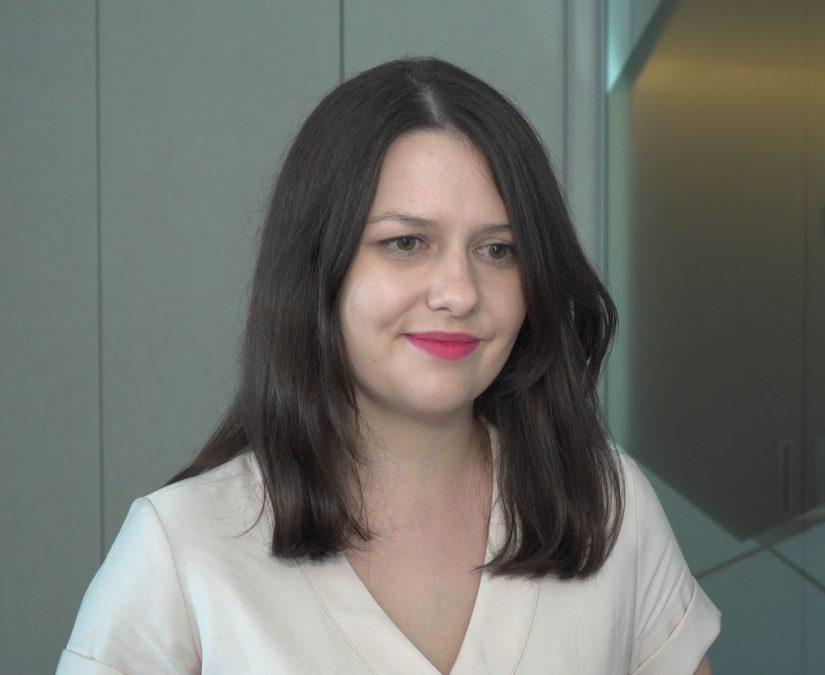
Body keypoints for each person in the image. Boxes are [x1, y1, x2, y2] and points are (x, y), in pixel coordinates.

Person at [58, 57, 719, 675]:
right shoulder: (182, 547)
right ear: (318, 267)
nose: (458, 292)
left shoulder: (607, 507)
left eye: (498, 250)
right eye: (406, 243)